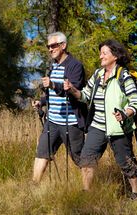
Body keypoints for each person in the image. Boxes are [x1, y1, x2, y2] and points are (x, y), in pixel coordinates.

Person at [64, 39, 137, 200]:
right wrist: (72, 89)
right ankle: (87, 195)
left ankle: (135, 193)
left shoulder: (124, 76)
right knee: (87, 160)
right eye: (101, 53)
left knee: (126, 162)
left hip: (118, 128)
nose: (101, 56)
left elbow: (135, 102)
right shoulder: (98, 74)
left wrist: (125, 113)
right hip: (96, 126)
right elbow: (84, 96)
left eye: (104, 53)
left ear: (115, 56)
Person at [32, 31, 87, 183]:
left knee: (80, 158)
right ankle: (33, 187)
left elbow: (73, 91)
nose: (50, 49)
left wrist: (52, 84)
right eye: (48, 46)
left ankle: (88, 191)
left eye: (53, 46)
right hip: (52, 121)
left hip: (71, 122)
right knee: (42, 153)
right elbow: (53, 94)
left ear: (63, 45)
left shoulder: (75, 66)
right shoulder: (53, 66)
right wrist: (42, 102)